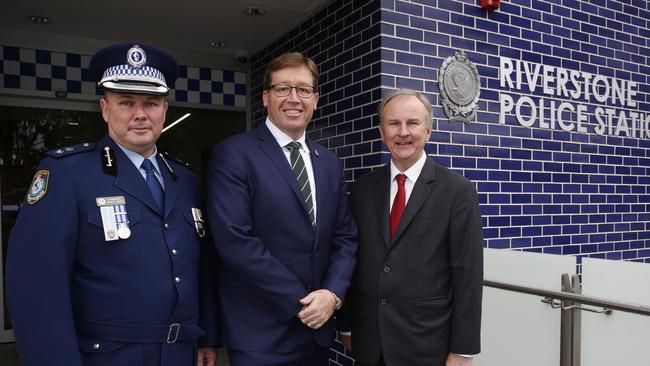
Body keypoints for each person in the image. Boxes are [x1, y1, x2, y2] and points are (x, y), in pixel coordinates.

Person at [5, 43, 220, 366]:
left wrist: (208, 336)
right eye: (126, 103)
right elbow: (36, 289)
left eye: (150, 103)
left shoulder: (185, 179)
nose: (140, 114)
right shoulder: (68, 173)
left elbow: (199, 267)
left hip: (179, 353)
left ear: (165, 110)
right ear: (105, 109)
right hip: (109, 356)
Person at [205, 51, 357, 366]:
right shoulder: (233, 154)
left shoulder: (328, 163)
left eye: (303, 90)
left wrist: (332, 294)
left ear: (315, 99)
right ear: (265, 97)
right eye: (282, 89)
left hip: (317, 333)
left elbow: (345, 237)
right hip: (261, 335)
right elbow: (235, 240)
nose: (293, 98)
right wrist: (303, 302)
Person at [338, 89, 484, 366]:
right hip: (370, 343)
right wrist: (346, 325)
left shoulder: (457, 191)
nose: (402, 132)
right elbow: (353, 261)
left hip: (428, 346)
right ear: (382, 133)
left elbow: (468, 276)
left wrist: (463, 350)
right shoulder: (362, 190)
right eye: (393, 124)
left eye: (412, 123)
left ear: (427, 131)